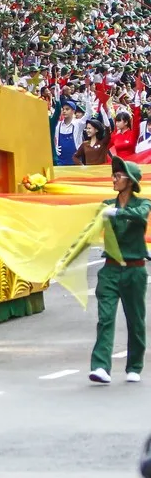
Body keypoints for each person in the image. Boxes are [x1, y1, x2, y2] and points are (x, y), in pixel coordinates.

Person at [90, 156, 150, 385]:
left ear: (130, 181)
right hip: (110, 270)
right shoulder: (106, 204)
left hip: (135, 270)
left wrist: (116, 213)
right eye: (113, 175)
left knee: (135, 320)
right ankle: (100, 366)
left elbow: (139, 216)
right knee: (105, 318)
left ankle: (134, 365)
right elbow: (89, 226)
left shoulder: (143, 204)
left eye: (118, 176)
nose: (113, 179)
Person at [54, 100, 85, 166]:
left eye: (67, 109)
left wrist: (88, 100)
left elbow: (88, 115)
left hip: (75, 161)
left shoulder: (78, 124)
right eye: (63, 109)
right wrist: (55, 147)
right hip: (61, 160)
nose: (64, 111)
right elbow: (55, 138)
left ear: (73, 111)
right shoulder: (58, 125)